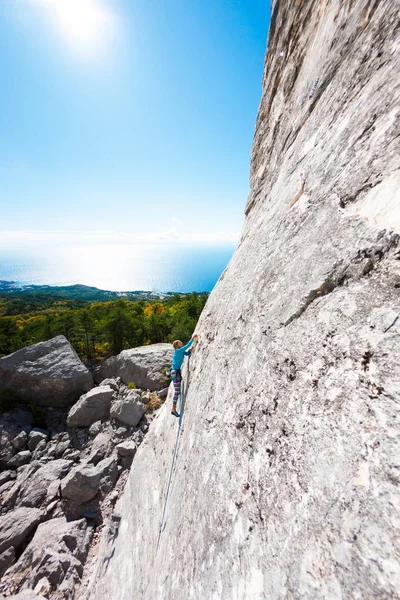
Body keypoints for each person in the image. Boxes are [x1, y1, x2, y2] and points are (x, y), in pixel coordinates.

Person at [170, 334, 198, 417]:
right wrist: (192, 339)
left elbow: (186, 353)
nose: (180, 342)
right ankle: (173, 409)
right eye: (179, 342)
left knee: (177, 391)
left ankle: (173, 409)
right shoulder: (178, 351)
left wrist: (190, 350)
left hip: (175, 372)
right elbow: (187, 346)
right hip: (175, 372)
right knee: (177, 391)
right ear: (177, 345)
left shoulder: (180, 351)